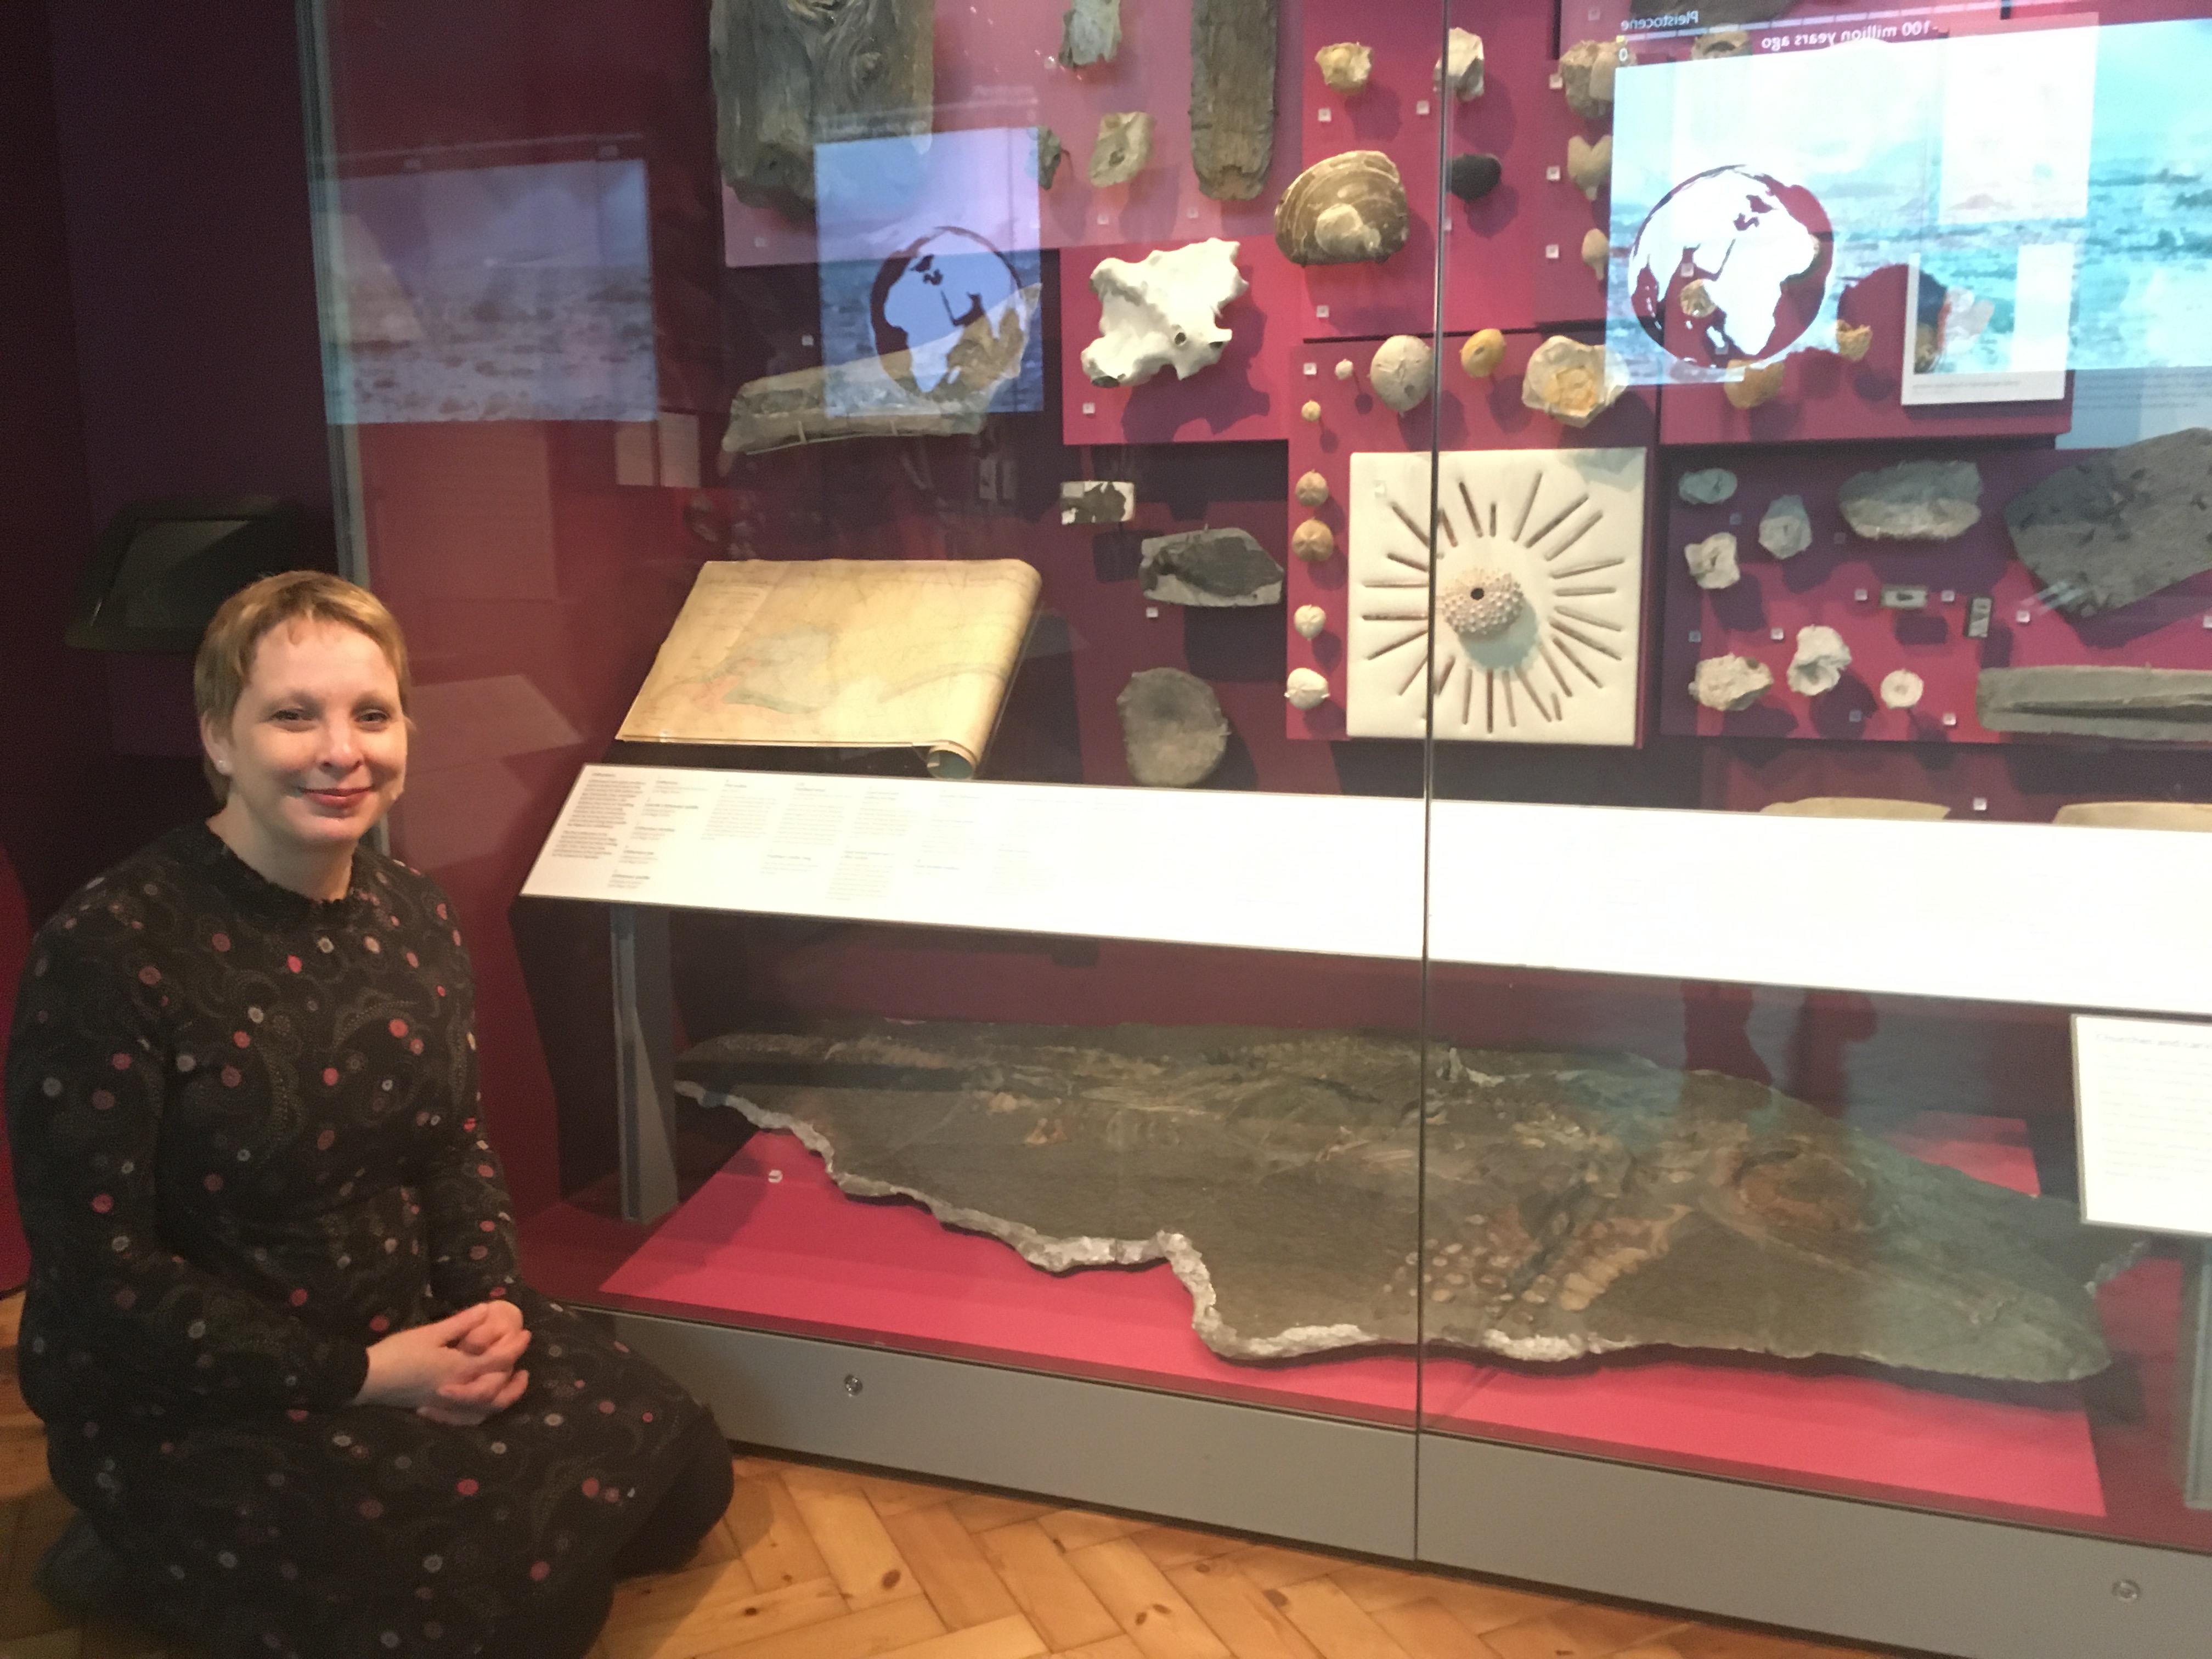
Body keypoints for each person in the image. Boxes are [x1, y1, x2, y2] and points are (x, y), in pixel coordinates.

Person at [5, 572, 731, 1658]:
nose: (342, 751)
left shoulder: (411, 910)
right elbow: (101, 1272)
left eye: (372, 715)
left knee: (689, 1483)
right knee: (537, 1618)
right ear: (218, 736)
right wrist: (366, 1377)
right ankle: (136, 1546)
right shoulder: (109, 949)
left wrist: (487, 1305)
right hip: (198, 1391)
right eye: (294, 716)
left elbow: (452, 1143)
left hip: (407, 1323)